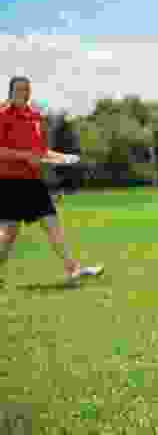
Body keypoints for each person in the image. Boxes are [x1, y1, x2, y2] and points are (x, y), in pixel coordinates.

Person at [0, 76, 103, 286]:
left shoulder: (35, 117)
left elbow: (40, 152)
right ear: (10, 92)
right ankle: (72, 268)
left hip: (33, 182)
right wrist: (24, 156)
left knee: (52, 223)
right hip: (9, 182)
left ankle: (73, 269)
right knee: (8, 234)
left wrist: (63, 158)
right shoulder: (2, 116)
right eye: (20, 90)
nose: (24, 94)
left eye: (27, 90)